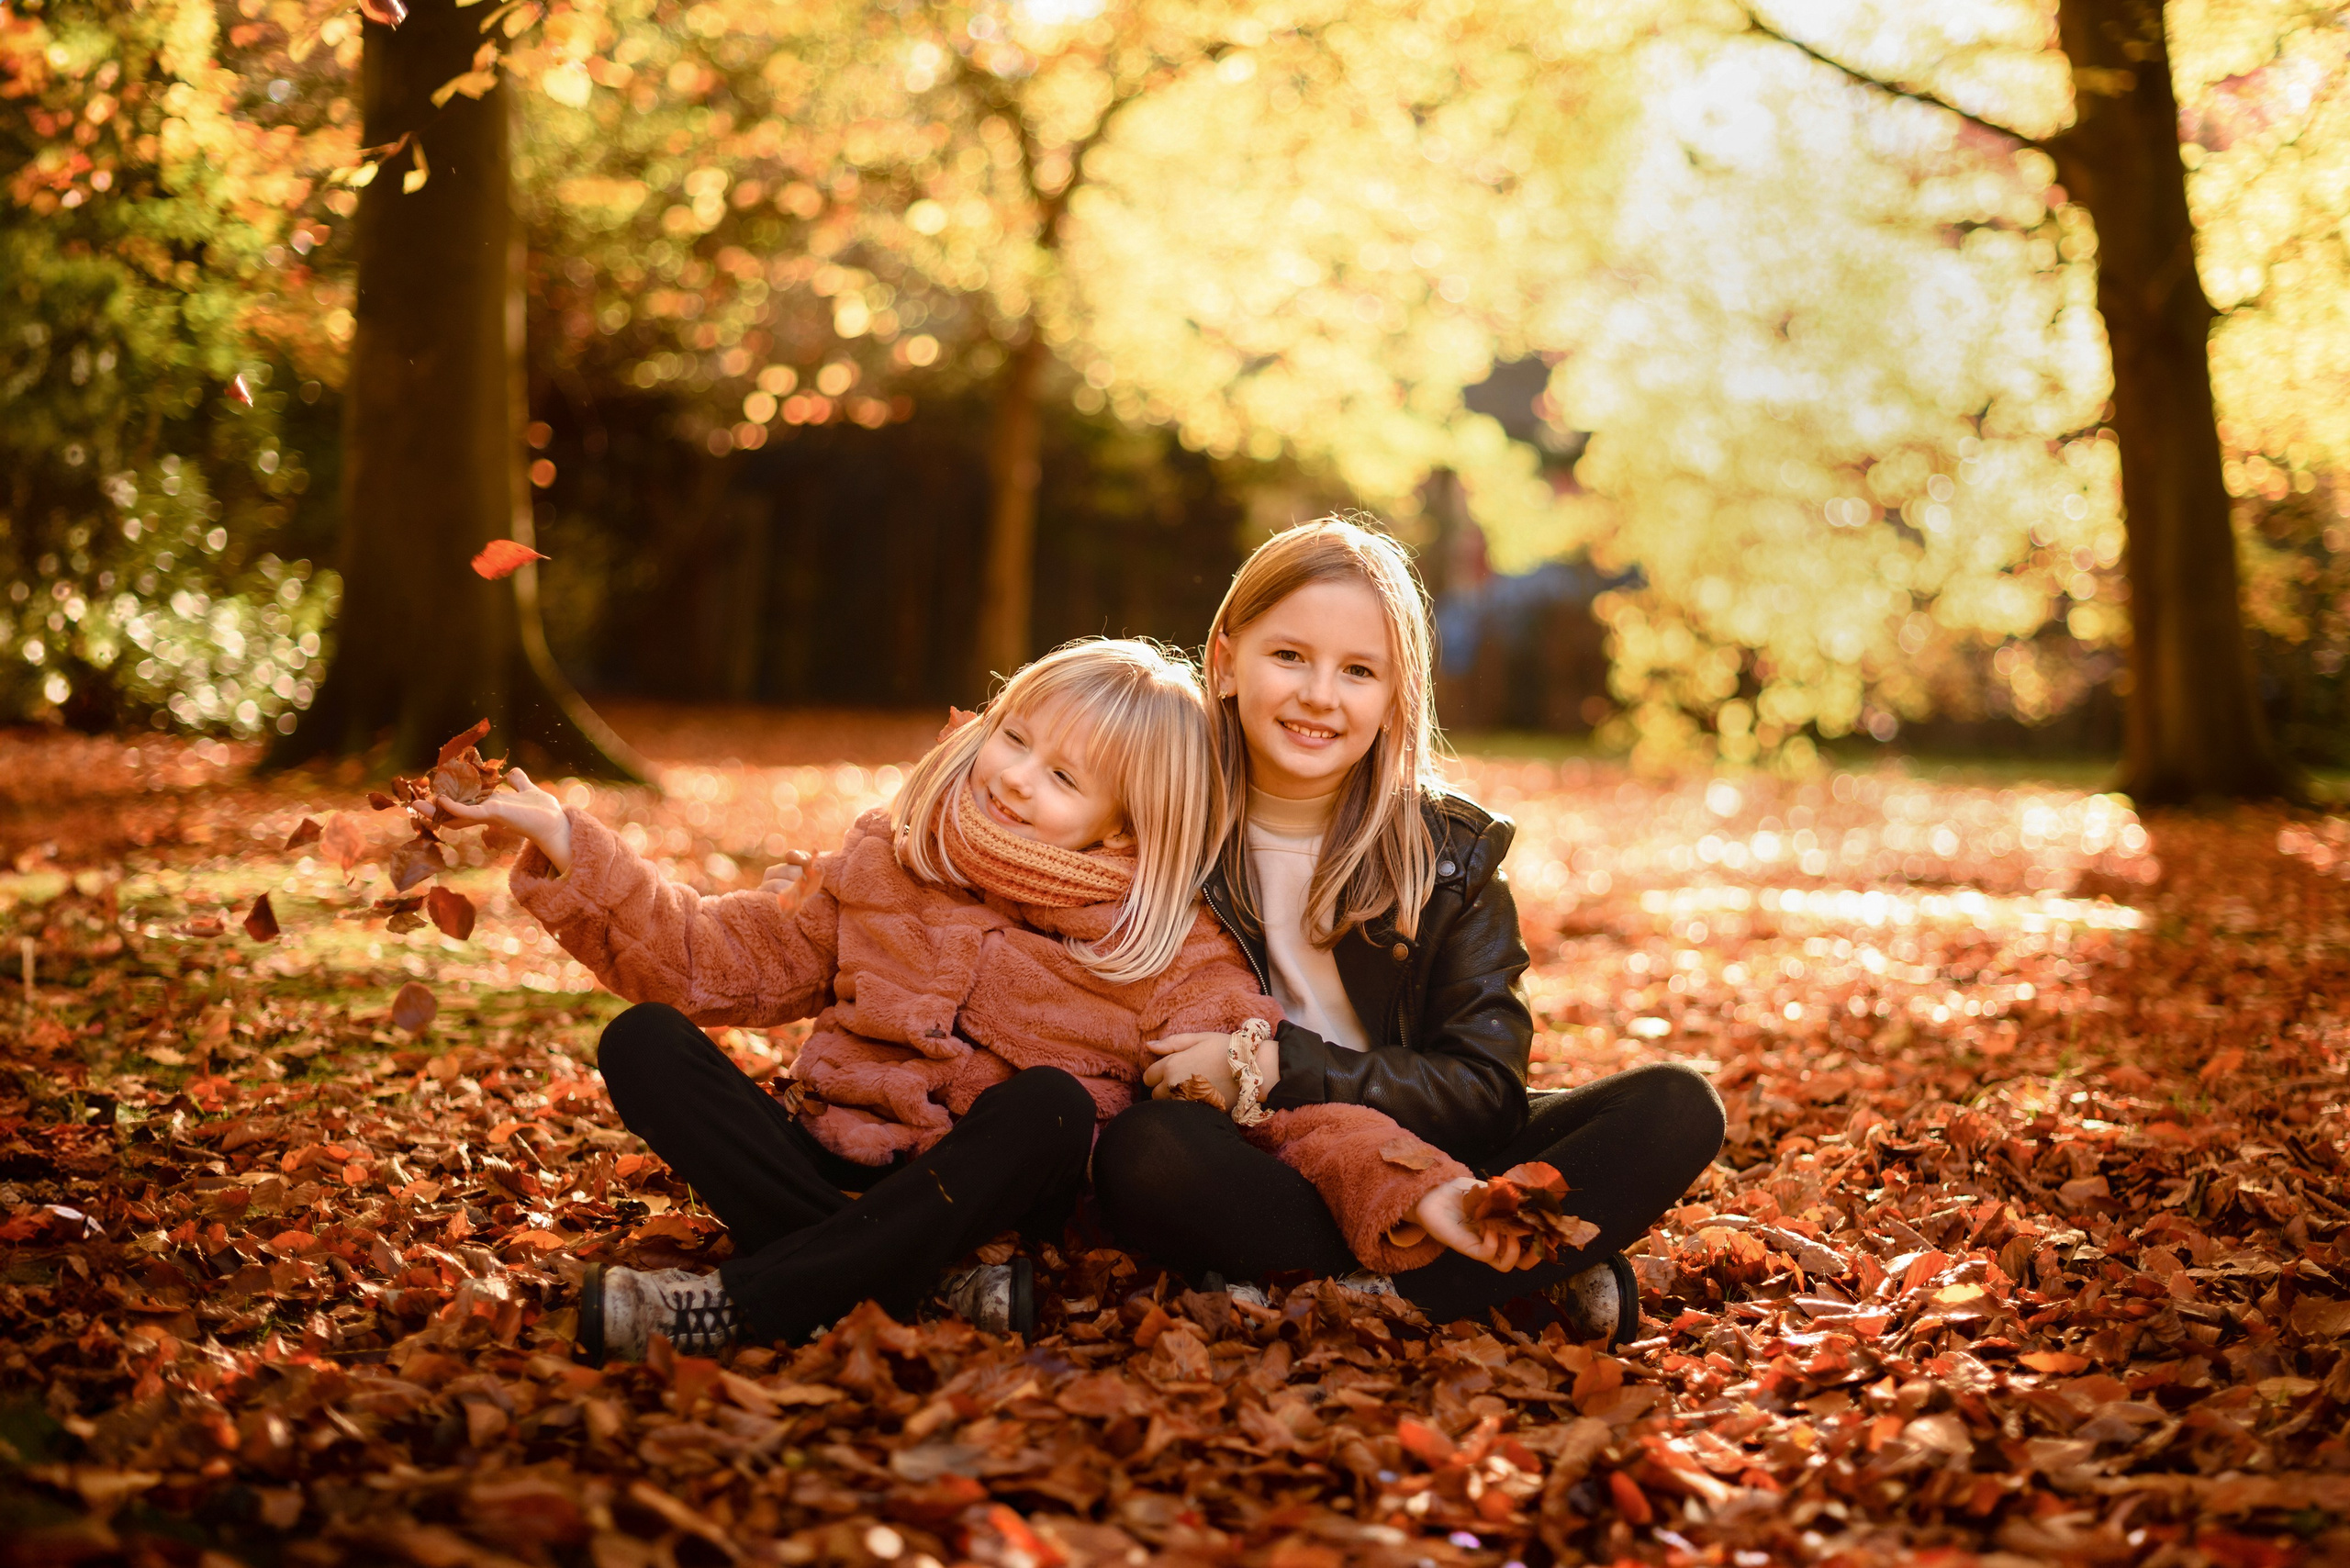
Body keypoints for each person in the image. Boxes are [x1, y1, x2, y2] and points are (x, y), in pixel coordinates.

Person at [441, 638, 1499, 1361]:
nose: (1017, 777)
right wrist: (569, 843)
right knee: (644, 1039)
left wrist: (1412, 1188)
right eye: (1016, 738)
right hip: (827, 1159)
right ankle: (911, 1283)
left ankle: (756, 1304)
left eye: (1065, 779)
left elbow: (1277, 1112)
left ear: (1124, 825)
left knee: (1050, 1106)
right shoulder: (889, 859)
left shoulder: (1165, 947)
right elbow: (708, 960)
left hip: (982, 1201)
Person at [1093, 520, 1728, 1343]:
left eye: (1359, 671)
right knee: (1147, 1150)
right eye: (1289, 656)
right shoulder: (1159, 818)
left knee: (1676, 1105)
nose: (1320, 695)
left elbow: (1481, 1093)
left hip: (1426, 1156)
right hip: (1255, 1158)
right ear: (1224, 662)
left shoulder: (1448, 856)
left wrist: (1278, 1066)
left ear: (1397, 695)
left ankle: (1359, 1291)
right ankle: (1485, 1284)